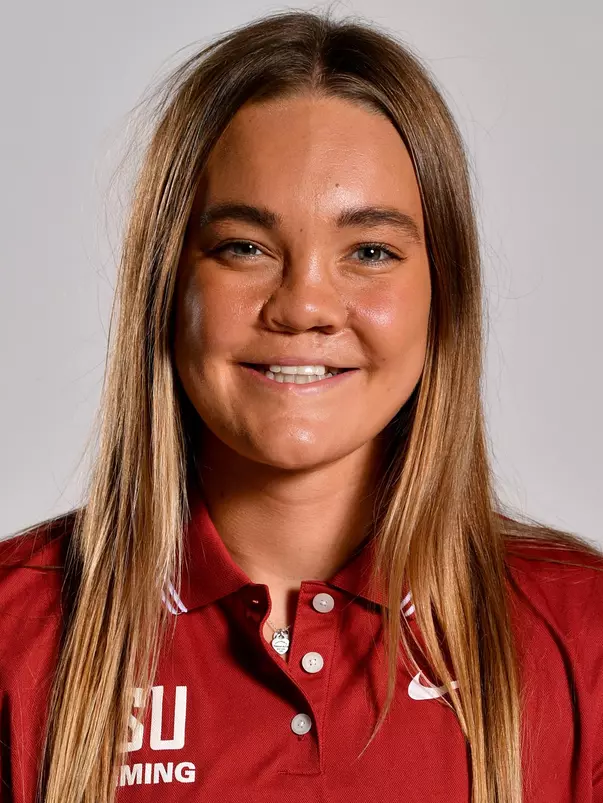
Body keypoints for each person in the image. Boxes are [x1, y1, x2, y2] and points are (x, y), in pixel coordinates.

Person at [1, 8, 602, 803]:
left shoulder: (582, 632)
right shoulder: (15, 630)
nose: (304, 305)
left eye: (370, 251)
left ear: (443, 295)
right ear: (166, 287)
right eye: (244, 247)